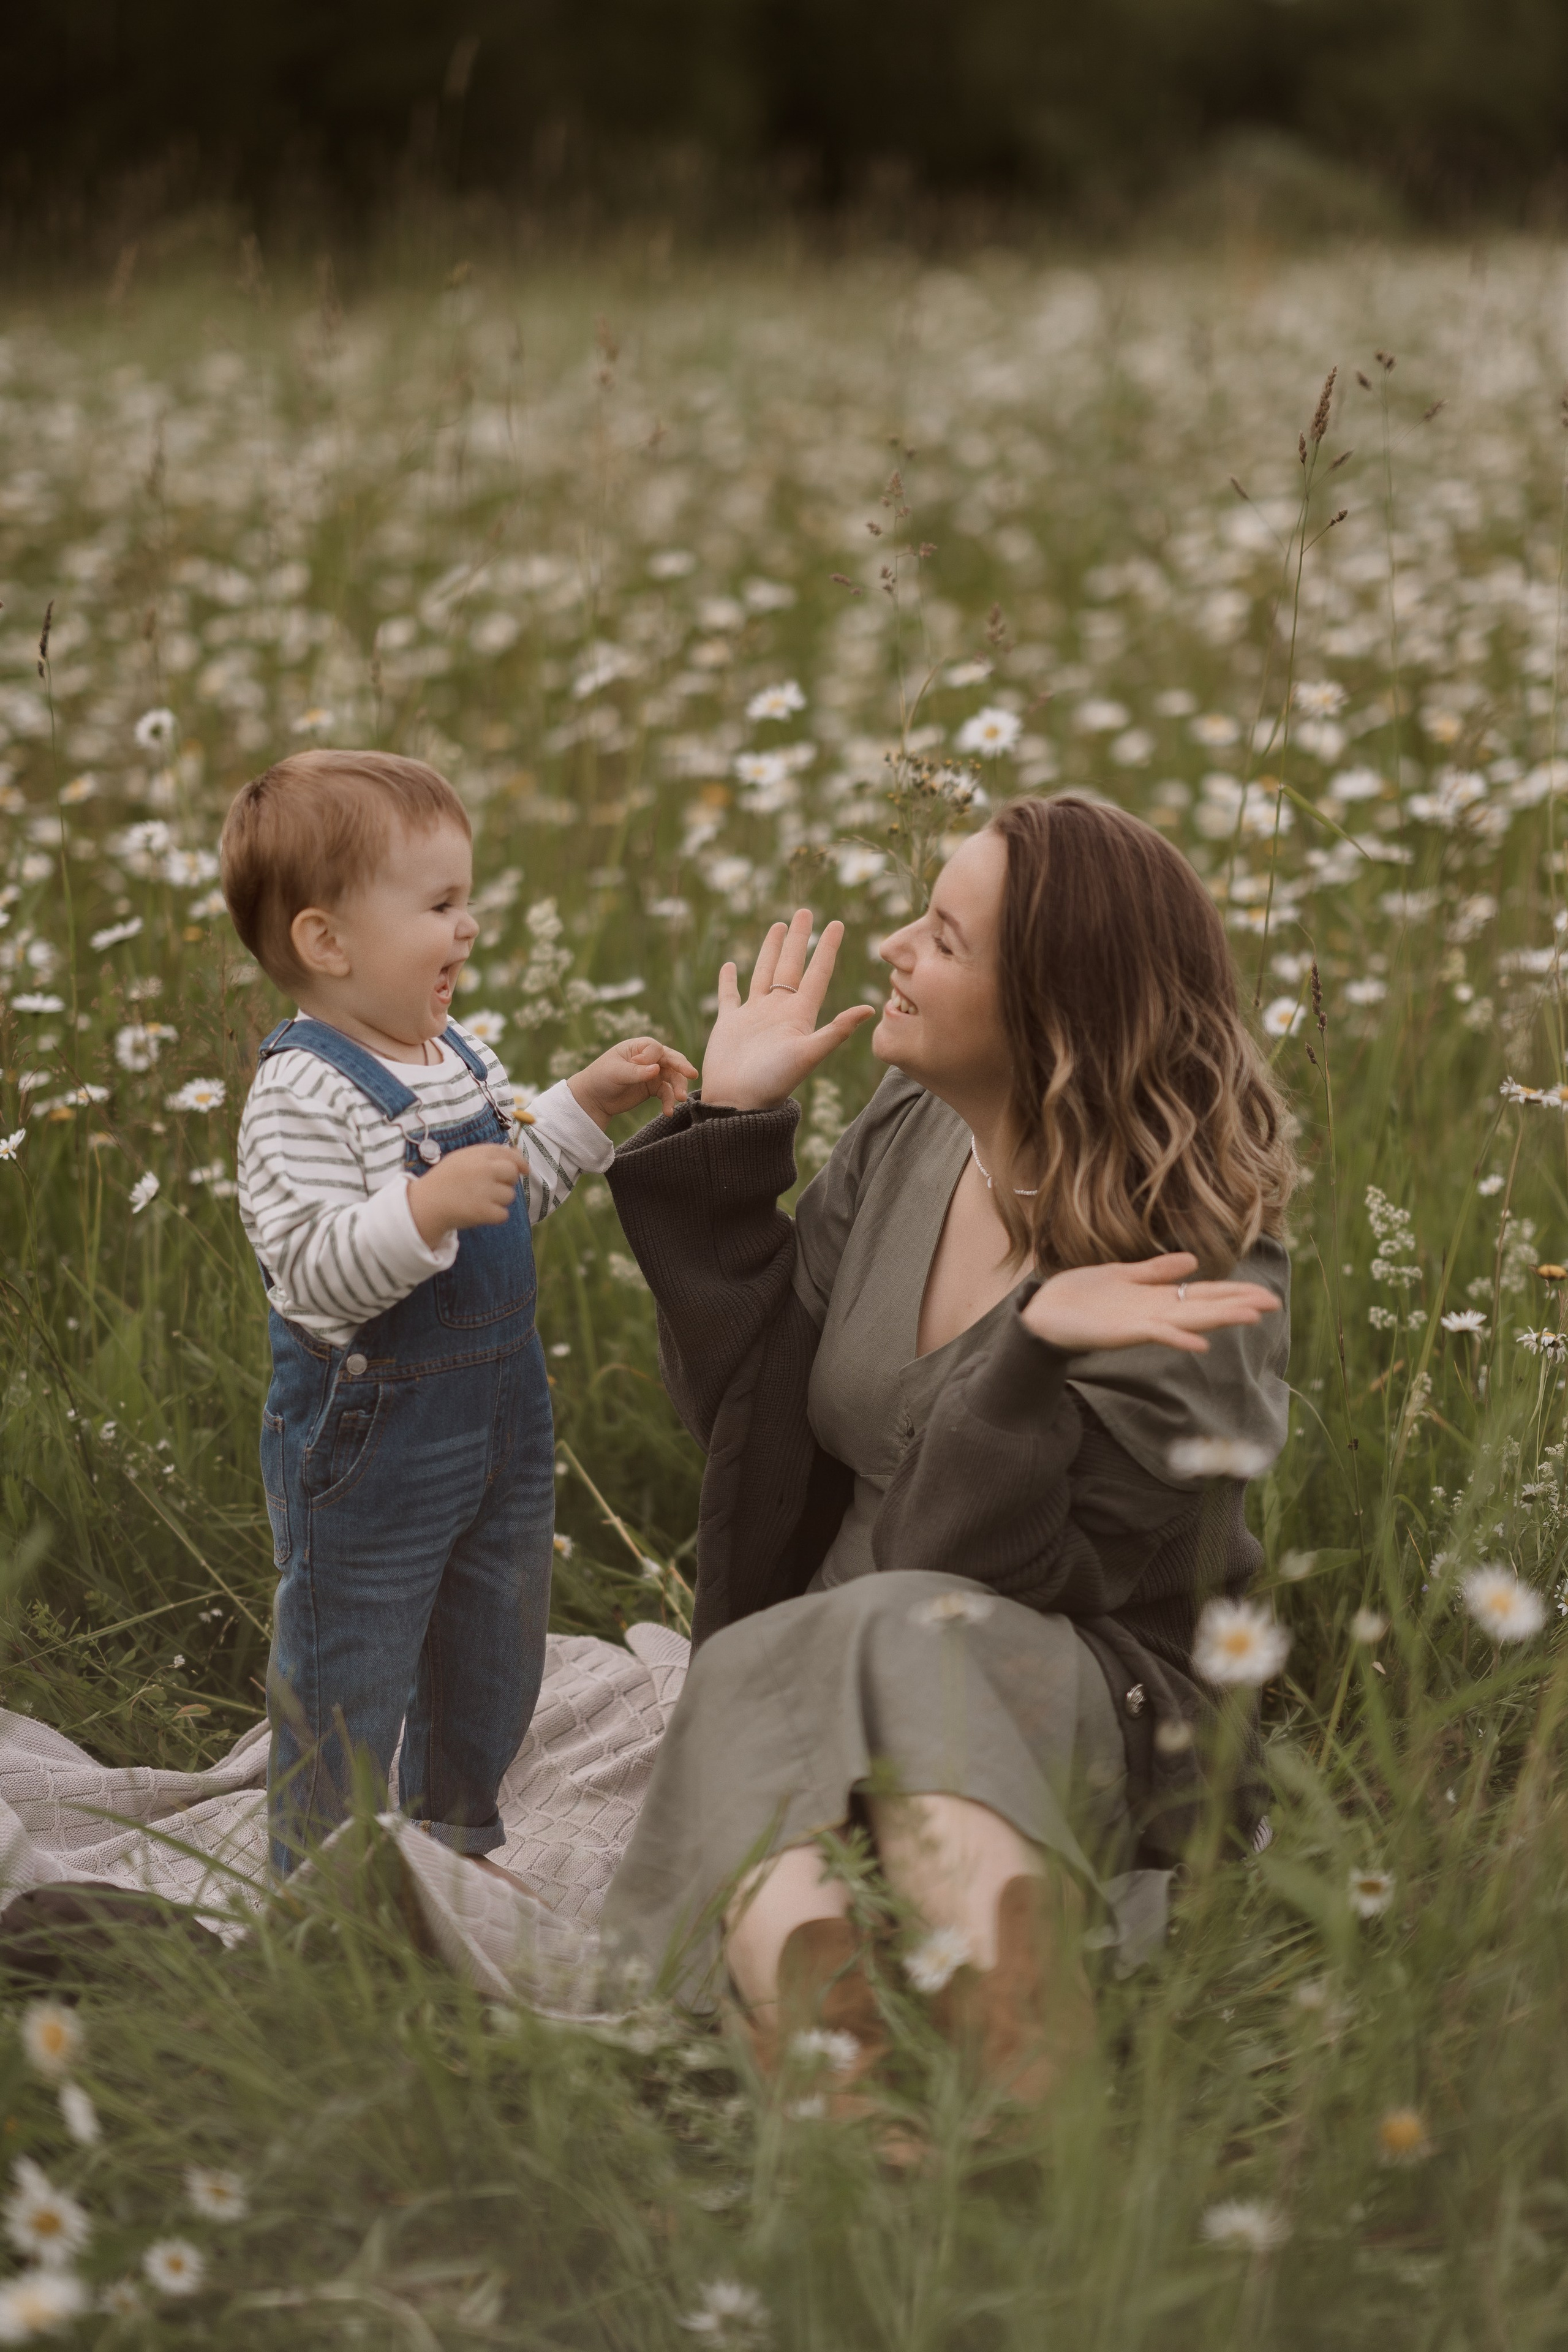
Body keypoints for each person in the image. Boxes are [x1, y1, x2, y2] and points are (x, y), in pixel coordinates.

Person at [600, 793, 1292, 2106]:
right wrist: (730, 1141)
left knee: (879, 1627)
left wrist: (1024, 1353)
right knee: (782, 1648)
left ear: (1051, 1013)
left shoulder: (1195, 1268)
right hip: (834, 1654)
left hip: (1083, 1701)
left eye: (942, 936)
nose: (894, 952)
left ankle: (1007, 2046)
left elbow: (968, 1568)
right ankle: (844, 2100)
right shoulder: (912, 1133)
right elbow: (753, 1427)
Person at [220, 750, 695, 1877]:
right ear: (327, 942)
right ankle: (322, 1880)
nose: (468, 929)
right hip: (369, 1444)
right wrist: (422, 1208)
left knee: (494, 1639)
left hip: (500, 1422)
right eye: (439, 906)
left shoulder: (460, 1056)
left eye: (465, 899)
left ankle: (452, 1841)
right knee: (353, 1662)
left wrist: (580, 1103)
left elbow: (509, 1187)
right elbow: (312, 1275)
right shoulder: (302, 1094)